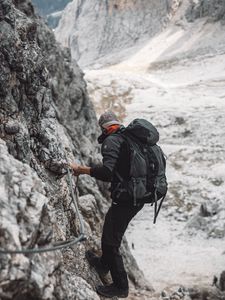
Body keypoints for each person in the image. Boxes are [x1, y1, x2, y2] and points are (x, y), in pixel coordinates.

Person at [70, 111, 144, 298]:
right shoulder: (128, 138)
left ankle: (121, 287)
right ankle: (104, 264)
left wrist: (82, 170)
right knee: (111, 232)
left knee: (111, 242)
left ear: (104, 127)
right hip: (135, 197)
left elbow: (107, 173)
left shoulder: (112, 140)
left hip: (127, 198)